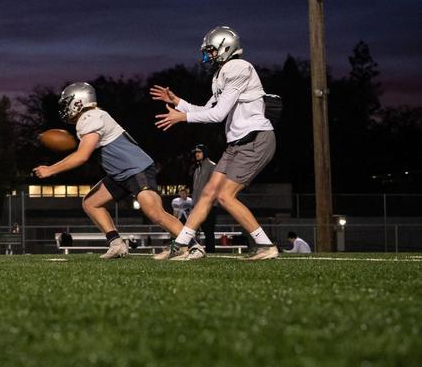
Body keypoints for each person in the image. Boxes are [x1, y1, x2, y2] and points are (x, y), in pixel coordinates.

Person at [151, 25, 279, 261]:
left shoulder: (238, 68)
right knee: (208, 192)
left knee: (225, 196)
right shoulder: (222, 74)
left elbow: (218, 115)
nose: (208, 56)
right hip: (238, 143)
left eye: (211, 51)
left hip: (256, 139)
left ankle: (266, 245)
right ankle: (181, 245)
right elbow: (207, 110)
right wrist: (178, 102)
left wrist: (183, 117)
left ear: (225, 48)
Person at [33, 82, 190, 260]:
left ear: (78, 102)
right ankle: (116, 244)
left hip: (136, 169)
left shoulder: (90, 117)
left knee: (155, 212)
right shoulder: (92, 117)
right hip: (120, 174)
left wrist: (51, 169)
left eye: (67, 102)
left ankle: (191, 246)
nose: (65, 107)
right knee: (91, 202)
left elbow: (82, 156)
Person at [192, 144, 218, 253]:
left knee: (208, 230)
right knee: (196, 229)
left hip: (209, 204)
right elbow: (195, 189)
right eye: (196, 152)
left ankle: (211, 251)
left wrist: (209, 202)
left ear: (205, 153)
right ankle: (198, 250)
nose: (196, 154)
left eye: (199, 152)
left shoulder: (213, 166)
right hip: (198, 205)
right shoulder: (197, 169)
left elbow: (215, 186)